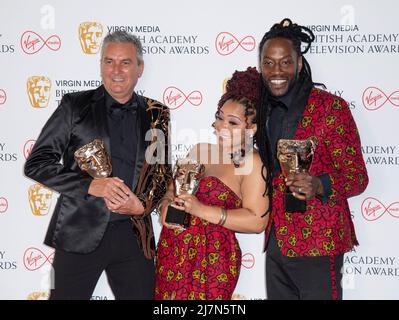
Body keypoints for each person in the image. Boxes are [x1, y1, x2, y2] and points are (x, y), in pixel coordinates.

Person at [24, 30, 172, 300]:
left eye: (125, 62)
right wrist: (91, 185)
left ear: (139, 68)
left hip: (134, 237)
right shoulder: (74, 106)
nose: (116, 70)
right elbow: (37, 163)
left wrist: (142, 205)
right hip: (79, 234)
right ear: (101, 64)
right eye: (108, 61)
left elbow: (161, 173)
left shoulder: (157, 113)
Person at [256, 18, 369, 300]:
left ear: (299, 63)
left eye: (285, 62)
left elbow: (357, 177)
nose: (276, 71)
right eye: (268, 62)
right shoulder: (262, 109)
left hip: (319, 242)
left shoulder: (330, 107)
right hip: (277, 242)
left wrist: (319, 184)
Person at [155, 67, 271, 300]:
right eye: (219, 117)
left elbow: (257, 221)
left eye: (233, 122)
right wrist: (166, 207)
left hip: (213, 261)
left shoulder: (253, 162)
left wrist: (200, 210)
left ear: (252, 129)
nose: (221, 126)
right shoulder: (200, 150)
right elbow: (172, 189)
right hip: (173, 251)